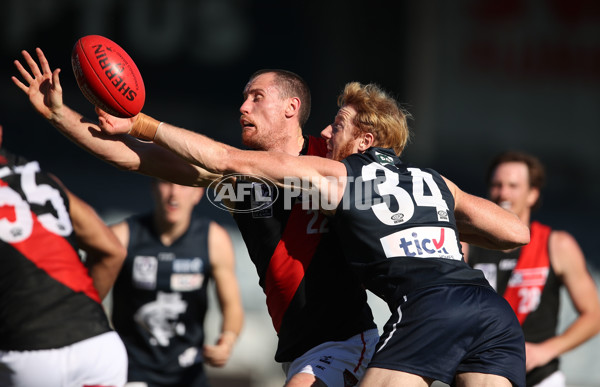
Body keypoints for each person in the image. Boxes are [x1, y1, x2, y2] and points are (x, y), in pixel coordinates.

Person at [13, 48, 379, 387]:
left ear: (291, 107)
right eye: (244, 97)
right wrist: (58, 113)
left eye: (257, 97)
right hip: (298, 348)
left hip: (344, 339)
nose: (243, 107)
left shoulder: (331, 164)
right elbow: (129, 156)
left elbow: (406, 181)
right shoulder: (238, 174)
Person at [0, 123, 128, 386]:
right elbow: (112, 250)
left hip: (31, 355)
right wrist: (76, 315)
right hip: (99, 346)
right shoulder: (45, 181)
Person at [462, 151, 600, 387]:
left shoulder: (556, 244)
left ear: (532, 194)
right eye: (497, 185)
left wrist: (545, 351)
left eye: (513, 186)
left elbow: (594, 315)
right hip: (481, 374)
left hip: (539, 378)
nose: (503, 193)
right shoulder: (466, 245)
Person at [109, 178, 244, 386]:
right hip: (131, 371)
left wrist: (227, 341)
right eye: (166, 183)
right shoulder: (122, 237)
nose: (174, 194)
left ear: (198, 192)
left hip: (189, 373)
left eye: (183, 184)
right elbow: (87, 299)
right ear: (153, 187)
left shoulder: (214, 239)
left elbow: (232, 307)